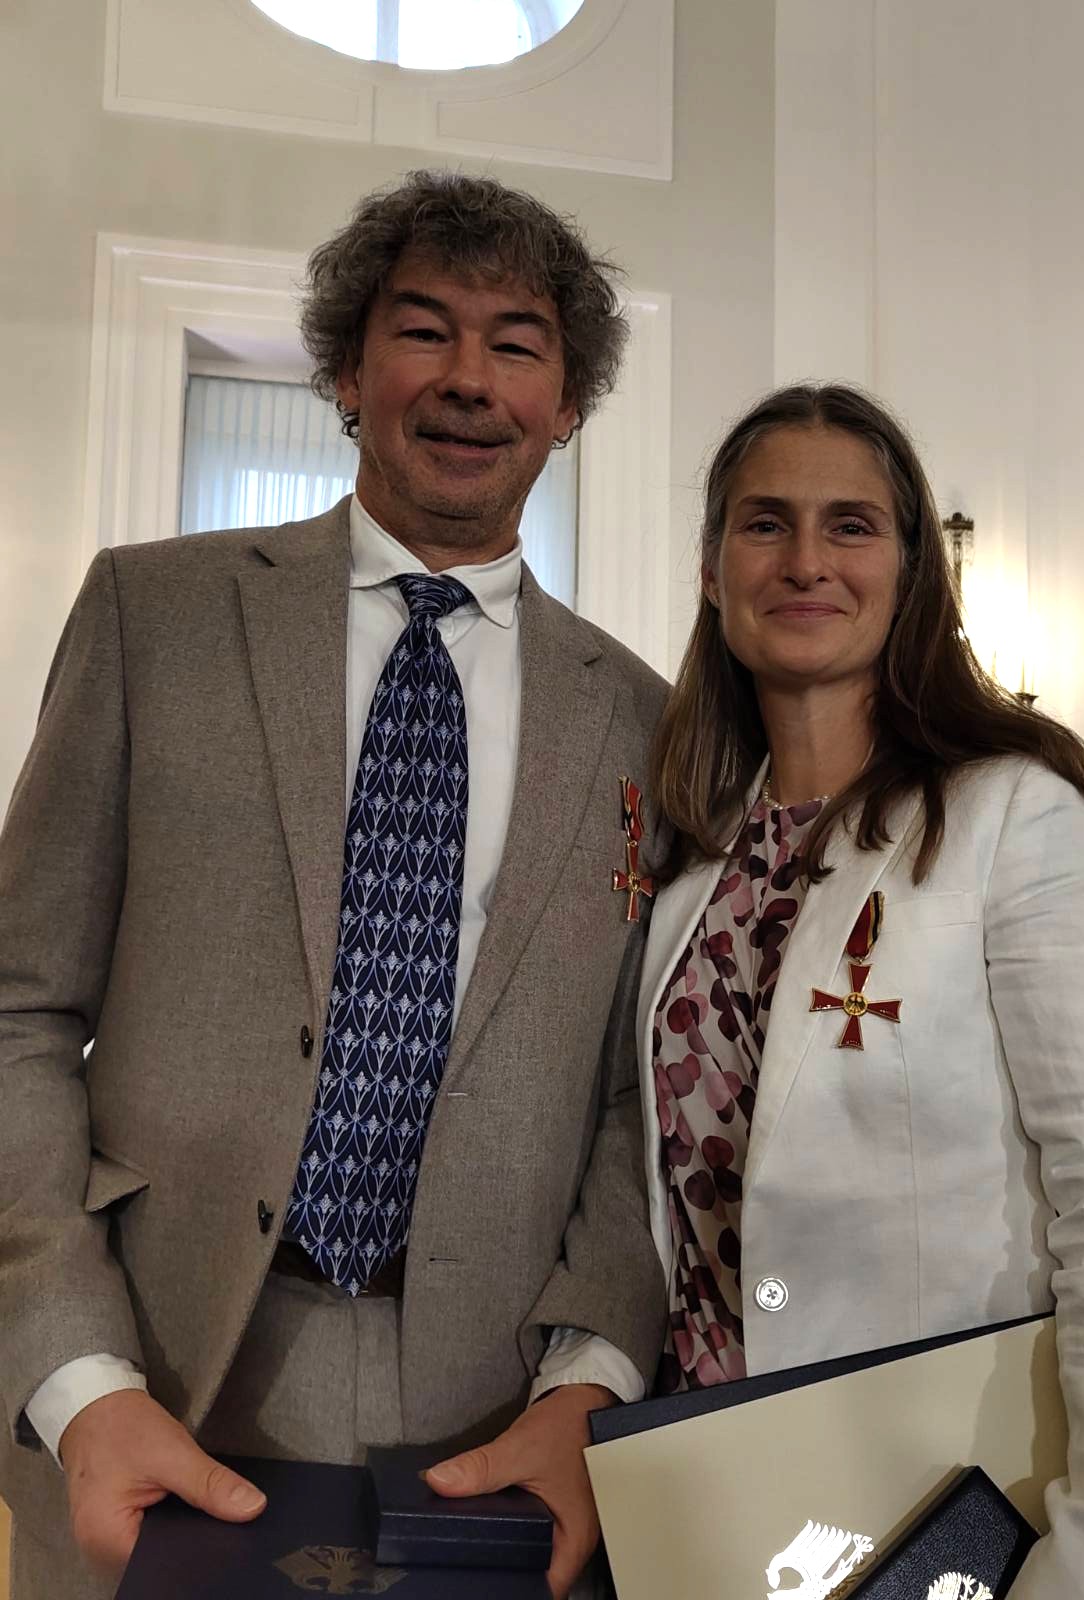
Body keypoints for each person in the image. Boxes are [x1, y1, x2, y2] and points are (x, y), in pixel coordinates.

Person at [0, 170, 667, 1600]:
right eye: (423, 329)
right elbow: (19, 1011)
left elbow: (637, 1099)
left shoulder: (643, 718)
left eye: (518, 344)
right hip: (156, 1369)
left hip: (492, 1420)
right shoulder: (152, 614)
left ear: (569, 403)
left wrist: (593, 1378)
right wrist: (72, 1369)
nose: (469, 378)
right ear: (348, 371)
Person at [637, 382, 1084, 1596]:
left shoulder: (1020, 817)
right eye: (764, 522)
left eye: (850, 525)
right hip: (703, 1502)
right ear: (711, 569)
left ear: (910, 572)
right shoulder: (689, 865)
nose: (805, 560)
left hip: (939, 1507)